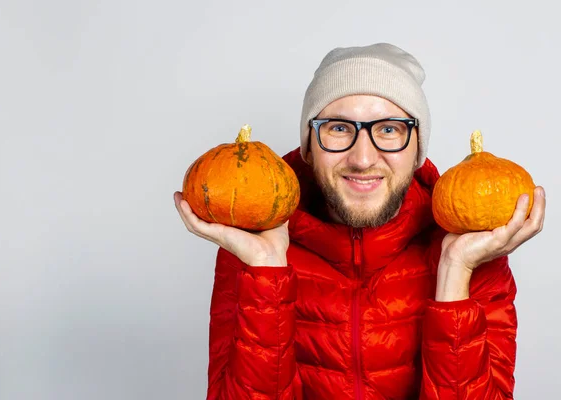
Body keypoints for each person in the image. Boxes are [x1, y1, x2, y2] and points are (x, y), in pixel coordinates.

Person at [174, 43, 546, 399]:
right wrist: (267, 273)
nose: (363, 158)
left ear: (417, 148)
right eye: (338, 128)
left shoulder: (471, 249)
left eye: (389, 129)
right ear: (309, 146)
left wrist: (454, 273)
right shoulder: (250, 252)